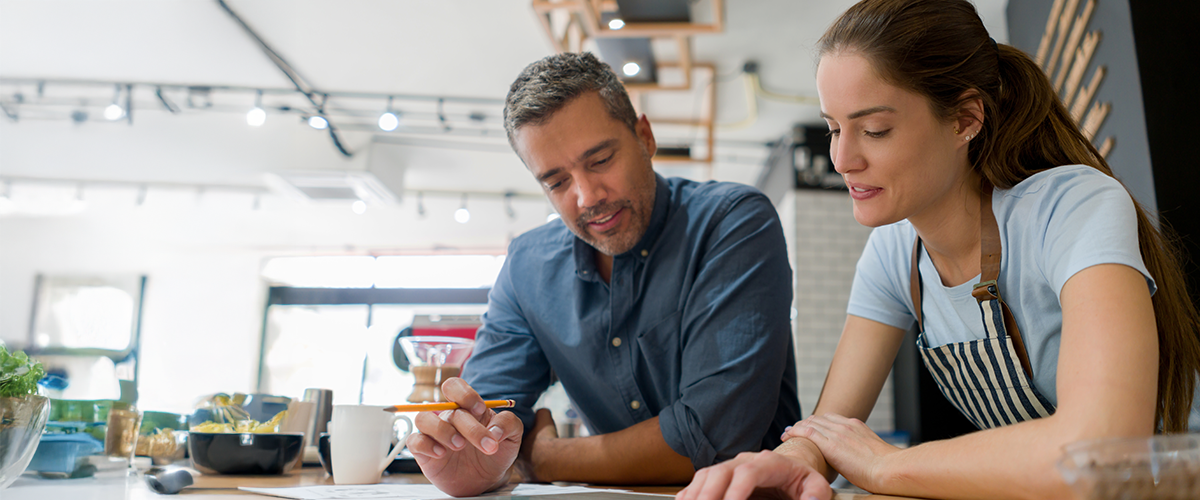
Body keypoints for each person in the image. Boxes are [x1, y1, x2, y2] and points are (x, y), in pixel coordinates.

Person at [675, 0, 1200, 499]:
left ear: (965, 119)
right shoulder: (893, 252)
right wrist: (789, 462)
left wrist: (884, 464)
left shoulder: (1073, 208)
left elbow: (1103, 454)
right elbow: (828, 433)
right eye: (834, 128)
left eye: (874, 130)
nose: (841, 158)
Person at [405, 52, 802, 497]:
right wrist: (472, 455)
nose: (588, 196)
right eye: (557, 182)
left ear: (645, 137)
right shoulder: (526, 267)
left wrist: (543, 456)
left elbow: (711, 438)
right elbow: (486, 423)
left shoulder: (731, 223)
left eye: (600, 161)